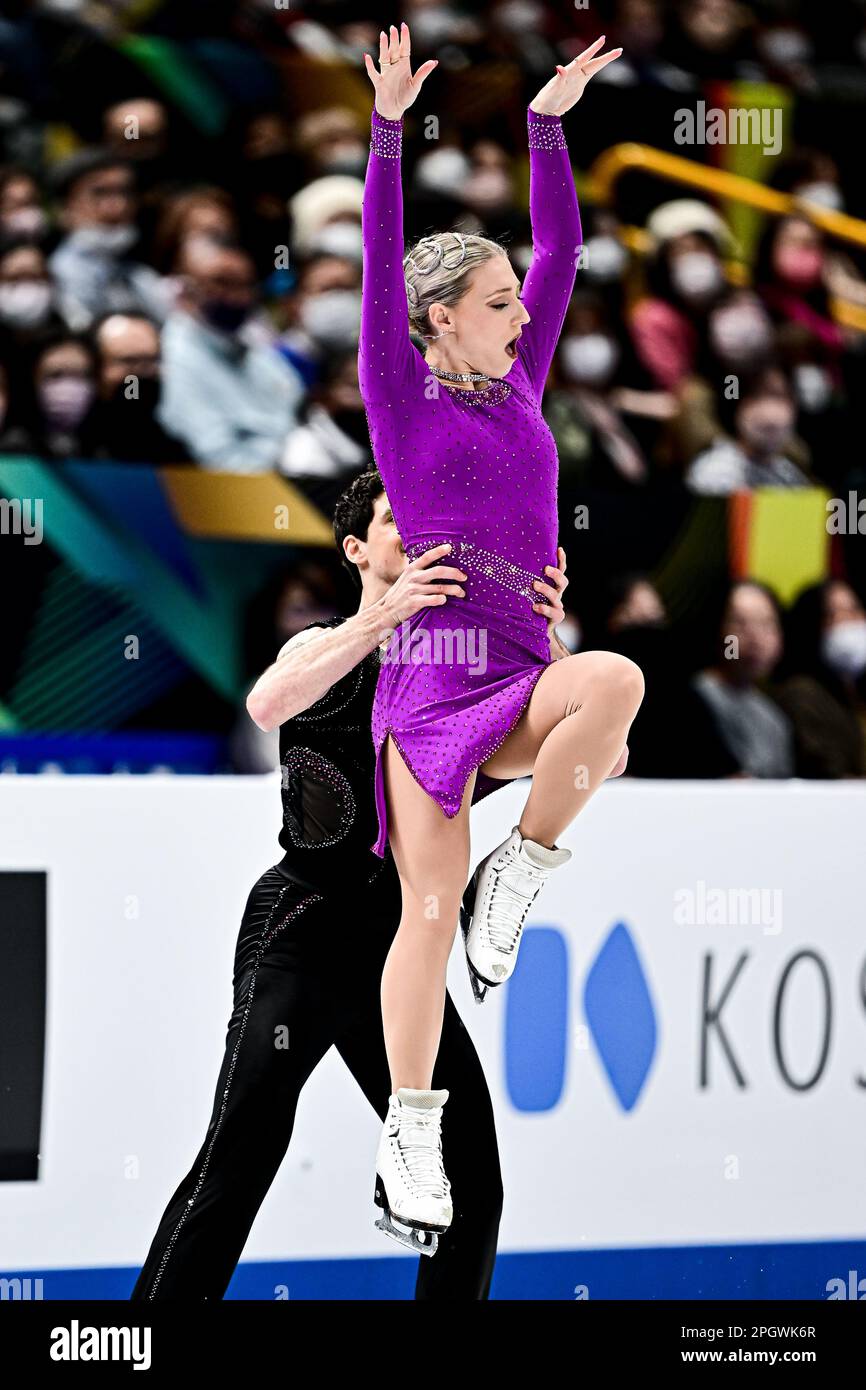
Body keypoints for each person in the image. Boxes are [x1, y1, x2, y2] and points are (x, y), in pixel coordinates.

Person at [131, 467, 557, 1300]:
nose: (417, 533)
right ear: (358, 547)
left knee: (471, 1183)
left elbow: (601, 752)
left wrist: (548, 634)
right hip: (303, 923)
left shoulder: (463, 677)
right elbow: (266, 704)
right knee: (240, 1152)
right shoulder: (320, 644)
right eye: (397, 520)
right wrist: (387, 618)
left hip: (397, 953)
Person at [359, 25, 642, 1250]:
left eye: (515, 298)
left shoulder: (520, 389)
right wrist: (383, 130)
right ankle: (407, 1132)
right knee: (424, 917)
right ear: (434, 319)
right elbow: (375, 261)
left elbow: (566, 243)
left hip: (520, 674)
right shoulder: (396, 388)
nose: (521, 310)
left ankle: (518, 869)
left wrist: (546, 121)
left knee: (613, 692)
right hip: (429, 687)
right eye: (494, 301)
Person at [158, 234, 304, 472]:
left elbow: (295, 405)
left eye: (245, 285)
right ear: (187, 286)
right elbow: (216, 456)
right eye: (221, 283)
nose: (236, 295)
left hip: (295, 479)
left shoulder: (256, 349)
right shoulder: (174, 355)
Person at [691, 579, 794, 778]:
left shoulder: (773, 718)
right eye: (739, 623)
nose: (755, 637)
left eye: (766, 623)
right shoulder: (695, 701)